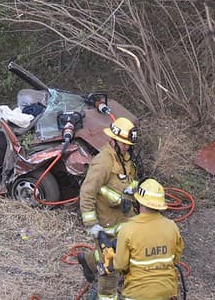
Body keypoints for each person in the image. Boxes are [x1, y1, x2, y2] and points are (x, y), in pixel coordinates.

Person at [77, 117, 140, 299]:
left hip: (124, 218)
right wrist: (93, 226)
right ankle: (105, 296)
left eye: (129, 144)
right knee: (109, 264)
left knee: (124, 252)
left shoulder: (125, 158)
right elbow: (87, 192)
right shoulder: (103, 161)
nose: (127, 147)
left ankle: (87, 260)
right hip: (106, 222)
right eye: (124, 143)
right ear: (113, 139)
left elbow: (127, 180)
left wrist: (132, 189)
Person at [113, 178, 184, 300]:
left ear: (139, 201)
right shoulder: (172, 226)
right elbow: (176, 257)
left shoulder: (128, 229)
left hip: (137, 293)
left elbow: (120, 266)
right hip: (167, 292)